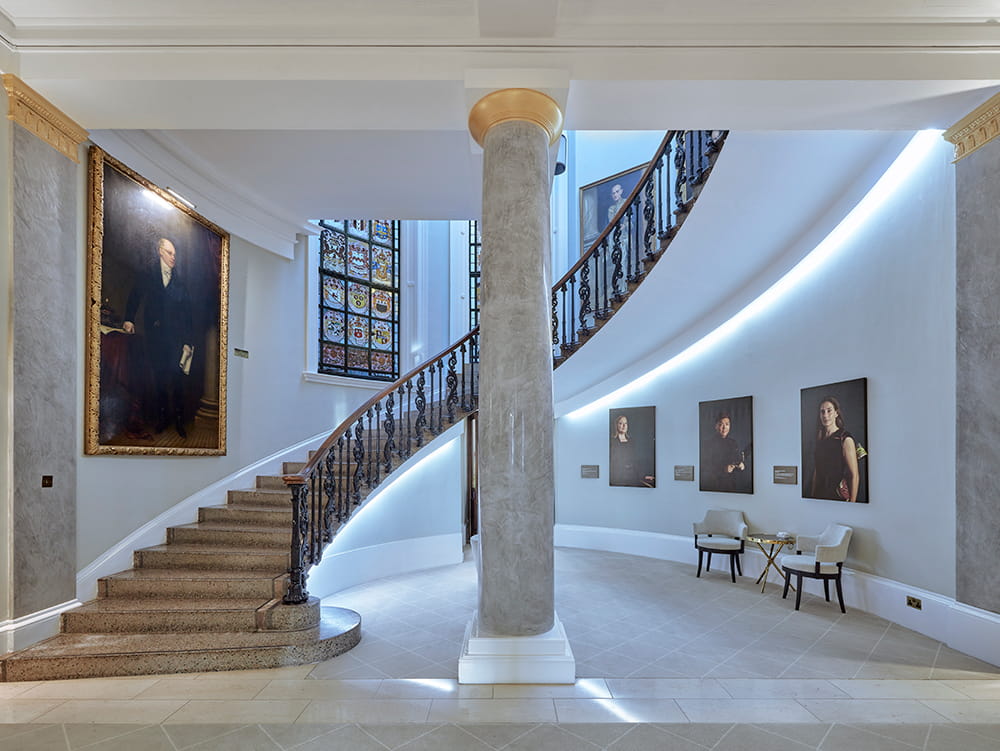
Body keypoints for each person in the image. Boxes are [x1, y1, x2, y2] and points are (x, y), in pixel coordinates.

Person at [123, 237, 194, 438]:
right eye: (170, 253)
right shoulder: (149, 273)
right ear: (160, 251)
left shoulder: (180, 281)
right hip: (156, 336)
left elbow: (188, 314)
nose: (174, 258)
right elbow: (135, 295)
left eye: (175, 254)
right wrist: (129, 318)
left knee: (178, 381)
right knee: (160, 380)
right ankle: (163, 419)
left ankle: (179, 422)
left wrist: (188, 342)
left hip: (177, 339)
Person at [811, 396, 861, 502]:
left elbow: (854, 475)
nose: (825, 415)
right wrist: (812, 496)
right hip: (820, 496)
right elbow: (817, 470)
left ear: (836, 413)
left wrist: (852, 504)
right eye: (822, 412)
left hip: (838, 497)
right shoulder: (820, 438)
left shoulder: (845, 439)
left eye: (829, 411)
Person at [700, 411, 747, 492]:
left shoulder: (733, 443)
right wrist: (723, 469)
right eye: (721, 424)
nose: (724, 427)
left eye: (727, 424)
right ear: (716, 426)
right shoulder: (708, 443)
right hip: (713, 486)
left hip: (731, 485)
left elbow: (736, 461)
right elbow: (704, 466)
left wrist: (740, 465)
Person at [609, 414, 655, 487]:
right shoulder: (612, 442)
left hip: (633, 475)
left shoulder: (631, 442)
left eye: (625, 423)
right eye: (621, 423)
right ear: (616, 425)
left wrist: (643, 476)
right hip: (619, 478)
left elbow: (635, 461)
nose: (624, 426)